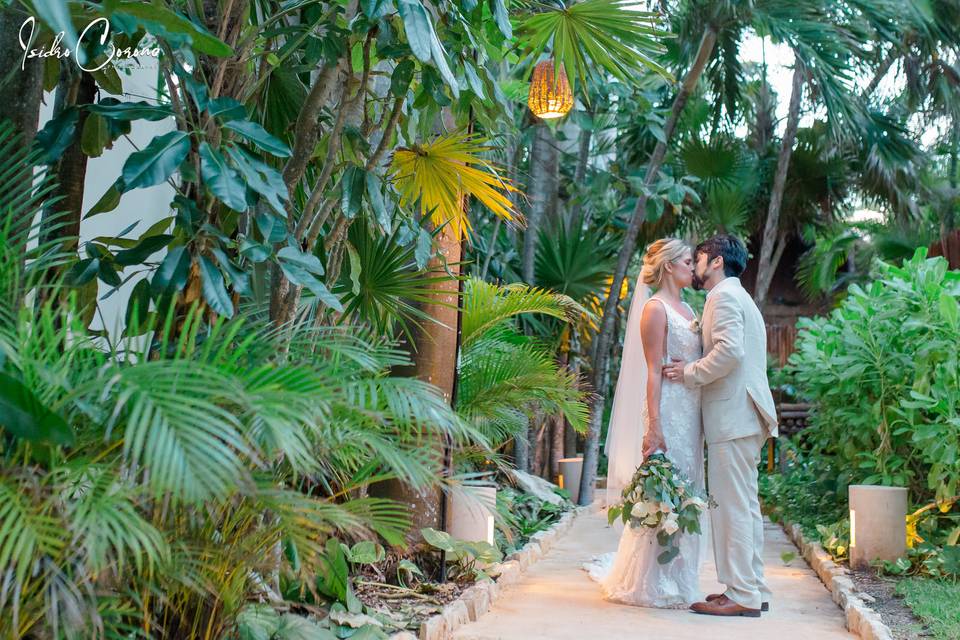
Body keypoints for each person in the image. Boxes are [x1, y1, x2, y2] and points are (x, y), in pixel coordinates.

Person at [584, 238, 706, 608]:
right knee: (663, 493)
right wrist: (655, 425)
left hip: (691, 410)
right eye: (687, 261)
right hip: (667, 408)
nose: (693, 267)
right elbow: (653, 371)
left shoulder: (687, 307)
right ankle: (650, 581)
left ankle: (679, 574)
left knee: (687, 491)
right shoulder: (655, 310)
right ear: (669, 266)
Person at [663, 234, 779, 617]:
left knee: (732, 507)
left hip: (733, 415)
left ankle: (742, 594)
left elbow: (729, 351)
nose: (694, 266)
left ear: (715, 262)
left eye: (698, 258)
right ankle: (752, 588)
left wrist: (689, 372)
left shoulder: (725, 297)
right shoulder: (737, 296)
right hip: (743, 415)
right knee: (743, 505)